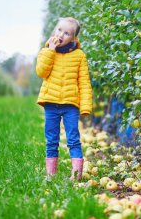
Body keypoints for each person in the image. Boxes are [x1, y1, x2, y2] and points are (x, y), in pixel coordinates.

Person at [36, 17, 92, 180]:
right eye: (59, 30)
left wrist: (85, 106)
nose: (61, 34)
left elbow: (84, 82)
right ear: (55, 30)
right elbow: (41, 72)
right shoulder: (46, 51)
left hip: (70, 105)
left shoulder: (79, 55)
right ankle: (50, 174)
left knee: (73, 138)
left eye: (67, 33)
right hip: (51, 103)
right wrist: (50, 51)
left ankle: (76, 175)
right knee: (51, 138)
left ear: (74, 38)